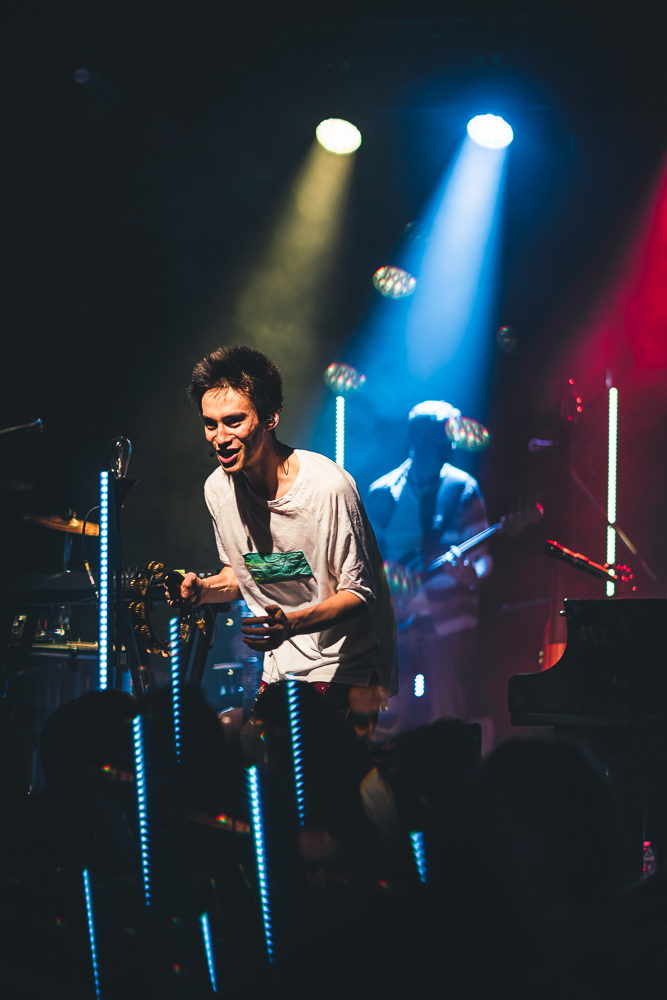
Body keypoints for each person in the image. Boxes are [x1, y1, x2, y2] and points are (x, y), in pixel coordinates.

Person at [176, 345, 398, 720]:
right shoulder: (217, 489)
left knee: (327, 776)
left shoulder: (328, 488)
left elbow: (361, 595)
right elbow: (244, 575)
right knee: (249, 753)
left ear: (270, 418)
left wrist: (290, 624)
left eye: (234, 421)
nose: (220, 436)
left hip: (349, 667)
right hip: (280, 667)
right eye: (210, 423)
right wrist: (204, 590)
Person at [366, 400, 491, 728]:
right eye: (439, 434)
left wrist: (469, 574)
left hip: (449, 623)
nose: (446, 443)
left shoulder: (462, 488)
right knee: (385, 718)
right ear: (417, 437)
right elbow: (365, 561)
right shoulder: (383, 491)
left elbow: (483, 560)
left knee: (448, 718)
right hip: (395, 625)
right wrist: (390, 580)